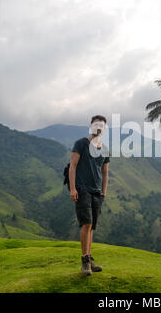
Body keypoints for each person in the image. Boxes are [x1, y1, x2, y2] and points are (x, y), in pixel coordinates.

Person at [69, 115, 110, 276]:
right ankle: (85, 261)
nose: (99, 127)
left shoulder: (104, 149)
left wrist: (104, 192)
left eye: (102, 125)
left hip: (97, 192)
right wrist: (73, 189)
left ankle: (90, 260)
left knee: (92, 226)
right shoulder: (81, 143)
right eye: (96, 124)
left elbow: (105, 172)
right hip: (82, 189)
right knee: (86, 223)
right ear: (91, 126)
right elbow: (72, 166)